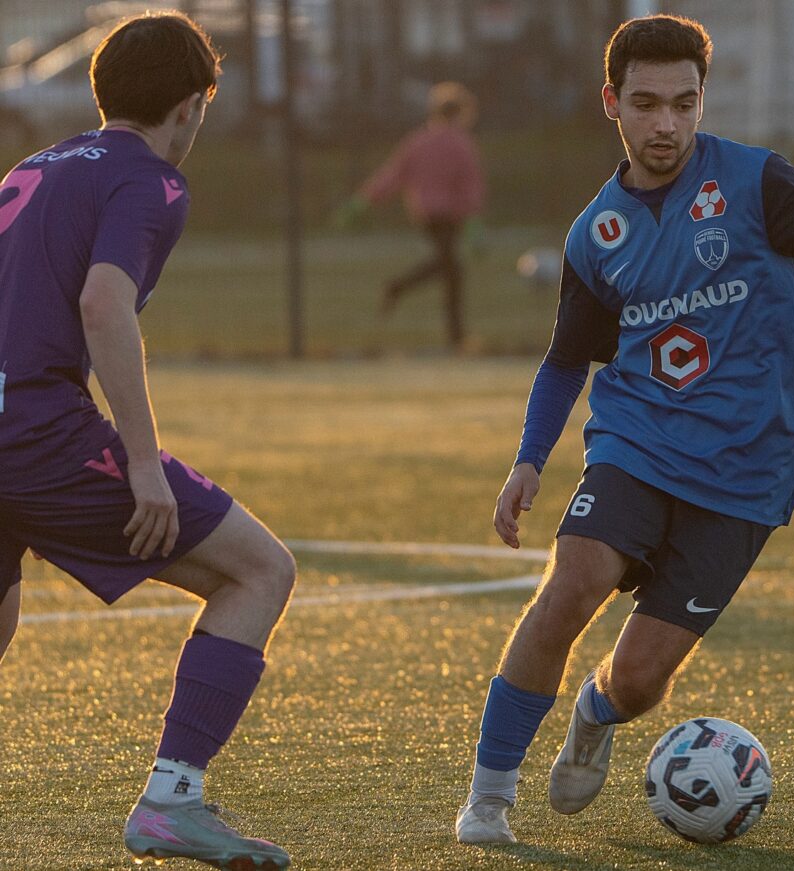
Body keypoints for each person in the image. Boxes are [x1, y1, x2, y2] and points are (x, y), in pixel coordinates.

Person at [455, 14, 794, 844]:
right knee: (569, 588)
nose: (667, 124)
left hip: (749, 475)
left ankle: (594, 712)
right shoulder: (596, 235)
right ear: (611, 103)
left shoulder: (764, 185)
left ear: (701, 101)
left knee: (643, 678)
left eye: (684, 103)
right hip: (638, 444)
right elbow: (564, 363)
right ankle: (488, 797)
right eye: (647, 103)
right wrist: (528, 460)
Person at [0, 13, 295, 869]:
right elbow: (103, 304)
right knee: (259, 569)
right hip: (39, 434)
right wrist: (140, 461)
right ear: (193, 105)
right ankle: (172, 801)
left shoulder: (31, 166)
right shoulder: (152, 181)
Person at [341, 81, 485, 350]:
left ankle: (452, 333)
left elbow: (392, 175)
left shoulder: (418, 141)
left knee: (449, 268)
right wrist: (474, 222)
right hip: (448, 216)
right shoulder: (461, 144)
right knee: (449, 268)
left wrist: (362, 202)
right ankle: (401, 291)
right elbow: (470, 184)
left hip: (425, 215)